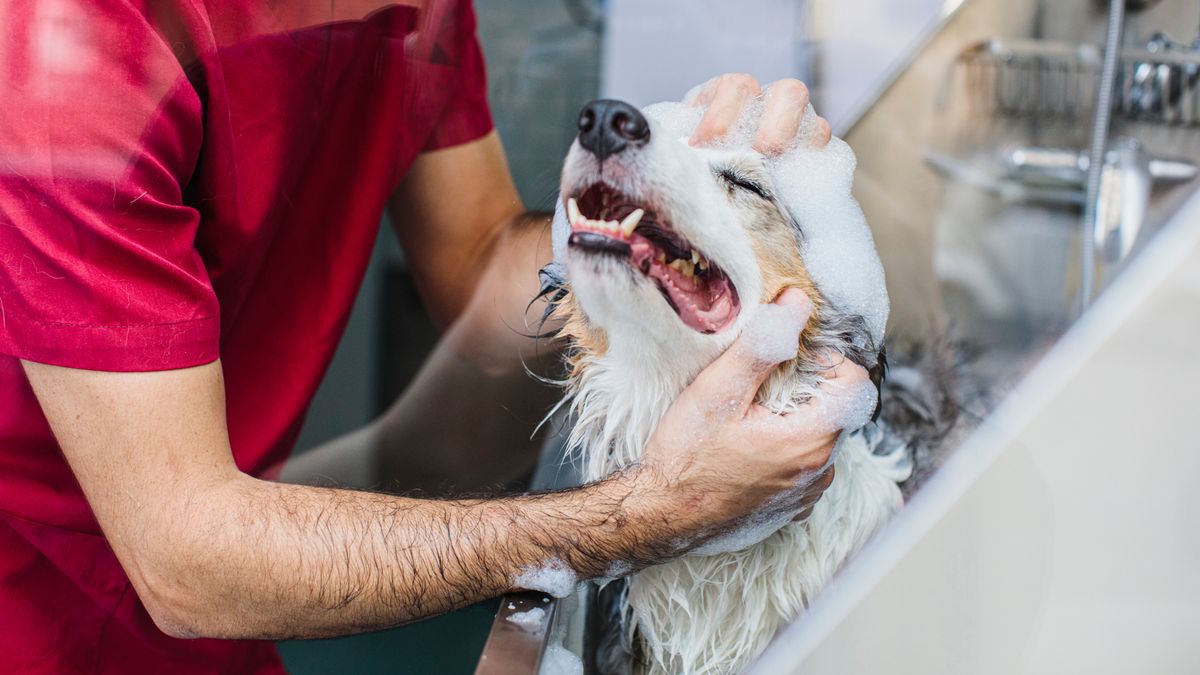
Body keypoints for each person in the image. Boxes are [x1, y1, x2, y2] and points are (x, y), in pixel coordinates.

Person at [0, 1, 864, 672]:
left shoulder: (417, 12)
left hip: (218, 628)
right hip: (46, 616)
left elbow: (483, 265)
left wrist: (652, 204)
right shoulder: (72, 57)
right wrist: (642, 514)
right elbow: (186, 559)